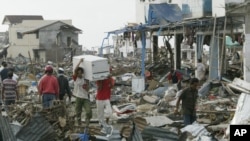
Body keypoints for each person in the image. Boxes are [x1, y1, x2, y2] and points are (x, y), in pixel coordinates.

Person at [73, 58, 92, 127]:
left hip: (85, 97)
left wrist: (86, 87)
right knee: (78, 112)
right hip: (78, 96)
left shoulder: (85, 79)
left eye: (80, 72)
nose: (79, 74)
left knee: (89, 111)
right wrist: (80, 62)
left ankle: (87, 123)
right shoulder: (76, 78)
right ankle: (79, 124)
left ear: (82, 73)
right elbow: (75, 70)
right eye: (78, 73)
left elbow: (88, 89)